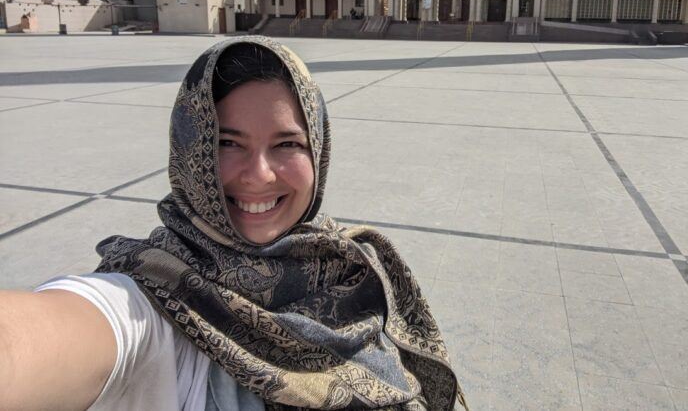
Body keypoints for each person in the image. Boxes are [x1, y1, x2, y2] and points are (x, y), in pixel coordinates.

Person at [0, 36, 467, 411]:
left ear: (318, 153)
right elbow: (35, 343)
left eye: (288, 144)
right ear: (190, 146)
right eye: (226, 143)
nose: (259, 175)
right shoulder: (155, 299)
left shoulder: (352, 267)